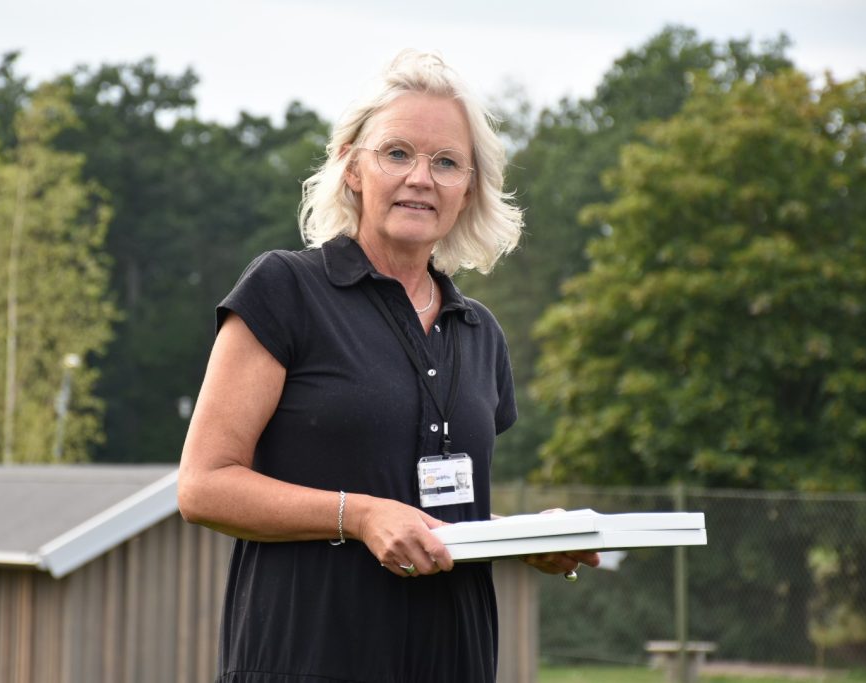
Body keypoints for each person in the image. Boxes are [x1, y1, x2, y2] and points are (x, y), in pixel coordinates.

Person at [178, 49, 599, 683]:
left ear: (469, 188)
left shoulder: (479, 332)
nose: (421, 178)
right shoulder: (285, 290)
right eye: (397, 153)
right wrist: (362, 514)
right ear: (352, 167)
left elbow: (438, 516)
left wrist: (523, 539)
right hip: (309, 656)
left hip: (452, 659)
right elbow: (204, 486)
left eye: (447, 162)